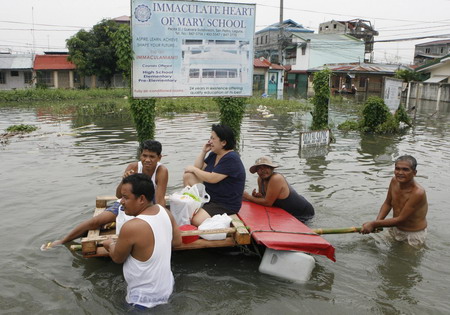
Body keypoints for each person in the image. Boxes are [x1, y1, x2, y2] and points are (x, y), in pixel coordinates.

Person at [42, 140, 168, 249]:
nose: (147, 160)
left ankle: (112, 225)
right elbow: (119, 195)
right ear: (140, 155)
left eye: (152, 157)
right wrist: (123, 180)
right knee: (95, 221)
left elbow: (160, 199)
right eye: (144, 155)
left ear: (159, 158)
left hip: (147, 206)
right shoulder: (133, 167)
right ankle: (63, 241)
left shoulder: (161, 171)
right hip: (128, 204)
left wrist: (161, 219)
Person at [103, 173, 182, 309]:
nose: (121, 201)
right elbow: (177, 242)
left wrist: (110, 244)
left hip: (141, 301)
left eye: (125, 197)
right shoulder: (165, 212)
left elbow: (117, 258)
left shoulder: (132, 227)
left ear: (141, 199)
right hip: (167, 290)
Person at [183, 124, 246, 226]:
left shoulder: (231, 158)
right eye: (210, 138)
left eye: (213, 139)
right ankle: (193, 204)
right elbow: (199, 167)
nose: (210, 141)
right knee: (189, 175)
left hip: (224, 203)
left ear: (224, 142)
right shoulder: (214, 154)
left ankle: (221, 226)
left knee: (196, 221)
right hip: (210, 195)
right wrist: (204, 151)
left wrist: (194, 169)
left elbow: (212, 178)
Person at [360, 155, 428, 247]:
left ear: (414, 173)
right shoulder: (394, 181)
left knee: (407, 261)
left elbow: (401, 219)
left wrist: (373, 224)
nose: (400, 172)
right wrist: (378, 222)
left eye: (405, 169)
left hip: (412, 234)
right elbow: (388, 203)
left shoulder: (418, 193)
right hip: (394, 228)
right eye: (397, 169)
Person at [243, 156, 315, 222]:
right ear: (256, 171)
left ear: (272, 169)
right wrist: (258, 197)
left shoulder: (276, 178)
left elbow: (268, 203)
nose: (263, 170)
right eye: (259, 168)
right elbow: (265, 199)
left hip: (303, 213)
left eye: (266, 167)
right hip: (287, 212)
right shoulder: (260, 179)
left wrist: (248, 197)